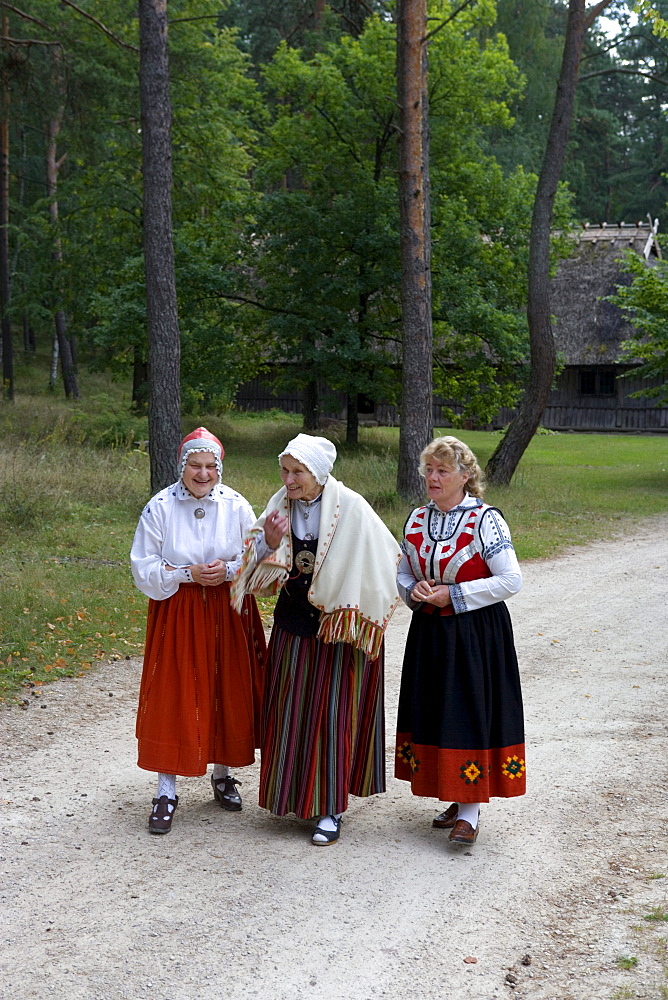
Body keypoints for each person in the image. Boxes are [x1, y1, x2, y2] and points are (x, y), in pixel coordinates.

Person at [231, 433, 400, 846]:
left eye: (297, 472)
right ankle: (292, 797)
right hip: (293, 628)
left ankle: (331, 810)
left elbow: (386, 561)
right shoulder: (277, 508)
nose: (288, 480)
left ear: (319, 474)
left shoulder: (353, 509)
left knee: (332, 717)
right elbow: (251, 573)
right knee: (288, 712)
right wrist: (270, 543)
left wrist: (352, 607)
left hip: (338, 631)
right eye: (285, 471)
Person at [130, 427, 266, 834]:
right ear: (182, 466)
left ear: (219, 468)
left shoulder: (236, 505)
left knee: (225, 686)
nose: (203, 474)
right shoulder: (160, 507)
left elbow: (257, 555)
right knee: (175, 692)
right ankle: (166, 789)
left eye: (210, 466)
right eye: (195, 465)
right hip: (179, 608)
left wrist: (227, 569)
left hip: (228, 607)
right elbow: (142, 566)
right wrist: (187, 573)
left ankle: (222, 775)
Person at [395, 435, 525, 846]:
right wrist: (413, 591)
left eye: (442, 471)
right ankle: (453, 795)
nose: (432, 478)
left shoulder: (486, 520)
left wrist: (453, 595)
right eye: (429, 470)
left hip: (474, 635)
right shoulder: (417, 519)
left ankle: (470, 812)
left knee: (466, 712)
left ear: (465, 476)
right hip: (430, 633)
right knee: (435, 710)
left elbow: (510, 579)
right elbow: (402, 572)